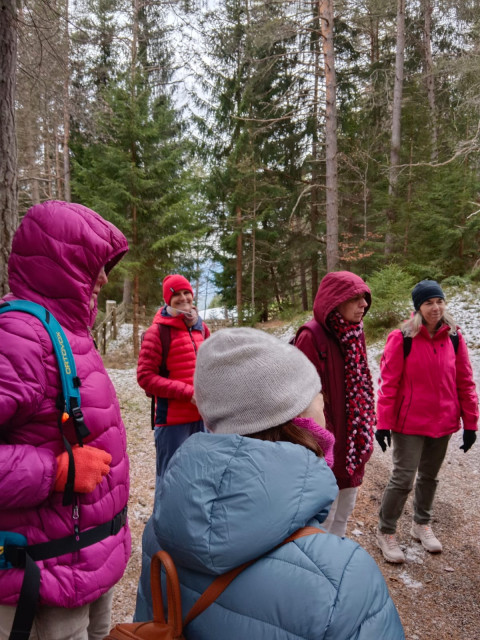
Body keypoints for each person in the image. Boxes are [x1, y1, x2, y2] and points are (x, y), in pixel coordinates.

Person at [134, 328, 405, 639]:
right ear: (298, 417)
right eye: (320, 400)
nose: (325, 412)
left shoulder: (160, 529)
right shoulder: (344, 577)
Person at [0, 201, 130, 639]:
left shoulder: (69, 331)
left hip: (84, 561)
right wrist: (52, 471)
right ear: (63, 264)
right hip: (42, 578)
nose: (105, 278)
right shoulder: (17, 338)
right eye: (95, 264)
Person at [375, 279, 478, 564]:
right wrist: (383, 423)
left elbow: (465, 382)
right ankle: (386, 530)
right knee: (403, 478)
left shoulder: (454, 336)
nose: (436, 307)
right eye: (428, 303)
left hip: (443, 421)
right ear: (418, 308)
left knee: (430, 477)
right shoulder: (403, 337)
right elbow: (389, 384)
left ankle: (421, 524)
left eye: (439, 301)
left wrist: (471, 423)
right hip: (409, 424)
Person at [294, 270, 376, 537]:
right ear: (335, 301)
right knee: (323, 513)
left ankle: (336, 555)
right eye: (356, 298)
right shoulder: (311, 336)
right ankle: (317, 565)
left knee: (345, 509)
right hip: (325, 441)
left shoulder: (354, 332)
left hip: (351, 439)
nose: (364, 304)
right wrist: (319, 441)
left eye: (365, 298)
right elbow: (302, 398)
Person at [137, 274, 210, 481]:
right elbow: (145, 377)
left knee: (200, 479)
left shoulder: (202, 329)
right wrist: (188, 394)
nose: (183, 298)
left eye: (187, 292)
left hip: (203, 418)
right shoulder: (157, 332)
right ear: (168, 299)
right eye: (176, 294)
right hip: (172, 424)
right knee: (171, 480)